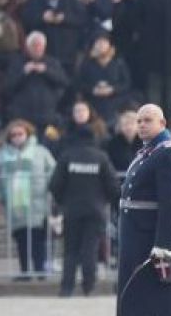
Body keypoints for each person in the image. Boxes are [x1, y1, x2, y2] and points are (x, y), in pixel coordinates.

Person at [116, 104, 171, 316]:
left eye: (148, 120)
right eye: (139, 121)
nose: (142, 125)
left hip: (154, 238)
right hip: (138, 237)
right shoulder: (147, 152)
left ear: (162, 123)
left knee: (161, 302)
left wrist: (164, 245)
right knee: (139, 298)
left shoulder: (168, 153)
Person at [49, 123, 120, 296]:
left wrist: (62, 202)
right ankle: (89, 286)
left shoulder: (67, 157)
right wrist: (110, 203)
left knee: (71, 250)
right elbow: (113, 186)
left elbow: (54, 185)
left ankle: (66, 288)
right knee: (90, 248)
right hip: (96, 210)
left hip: (72, 210)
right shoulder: (101, 157)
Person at [0, 119, 56, 279]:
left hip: (37, 203)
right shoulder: (3, 154)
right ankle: (25, 272)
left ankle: (40, 270)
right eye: (13, 135)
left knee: (37, 240)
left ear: (27, 134)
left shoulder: (40, 151)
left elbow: (53, 171)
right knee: (21, 239)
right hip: (15, 205)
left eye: (20, 133)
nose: (17, 137)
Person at [20, 0, 87, 74]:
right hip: (45, 53)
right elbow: (26, 20)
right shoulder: (34, 0)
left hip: (68, 51)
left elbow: (82, 18)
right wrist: (42, 18)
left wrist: (65, 18)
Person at [4, 32, 69, 132]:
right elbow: (7, 87)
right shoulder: (17, 62)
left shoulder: (52, 63)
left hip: (46, 114)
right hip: (22, 115)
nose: (37, 48)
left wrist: (46, 71)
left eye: (40, 45)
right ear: (28, 46)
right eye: (34, 45)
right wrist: (24, 72)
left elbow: (64, 82)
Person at [76, 32, 134, 126]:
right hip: (93, 105)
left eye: (104, 42)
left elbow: (126, 83)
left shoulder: (118, 63)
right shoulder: (86, 64)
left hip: (115, 105)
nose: (101, 46)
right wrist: (93, 90)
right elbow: (79, 83)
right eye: (98, 43)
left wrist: (112, 89)